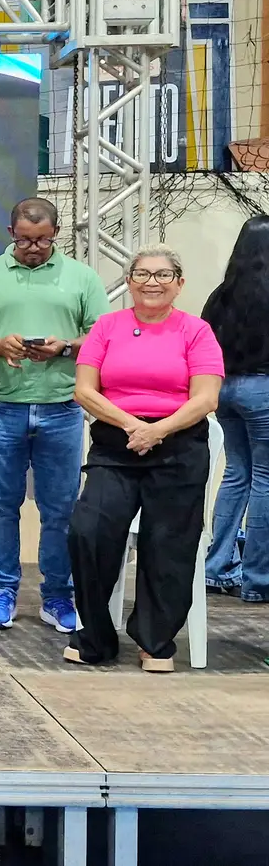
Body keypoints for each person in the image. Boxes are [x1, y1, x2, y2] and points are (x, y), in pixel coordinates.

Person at [65, 245, 223, 671]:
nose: (152, 282)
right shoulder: (107, 327)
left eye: (163, 274)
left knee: (168, 540)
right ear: (129, 281)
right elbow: (84, 390)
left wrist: (158, 430)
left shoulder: (196, 331)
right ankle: (96, 637)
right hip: (116, 446)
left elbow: (206, 398)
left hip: (179, 447)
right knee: (88, 531)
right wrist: (133, 426)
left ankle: (155, 640)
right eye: (142, 274)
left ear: (179, 283)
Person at [0, 197, 109, 633]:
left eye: (42, 240)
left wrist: (64, 347)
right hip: (1, 407)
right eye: (25, 240)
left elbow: (102, 338)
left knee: (60, 509)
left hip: (62, 408)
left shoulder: (82, 278)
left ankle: (58, 596)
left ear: (56, 233)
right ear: (11, 234)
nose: (33, 249)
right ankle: (1, 592)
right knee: (0, 506)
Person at [201, 215, 269, 601]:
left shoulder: (220, 295)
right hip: (263, 390)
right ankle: (259, 579)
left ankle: (216, 567)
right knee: (266, 479)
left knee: (236, 474)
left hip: (223, 388)